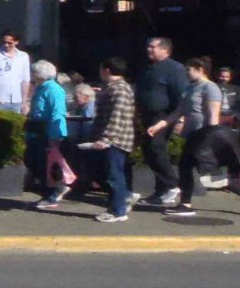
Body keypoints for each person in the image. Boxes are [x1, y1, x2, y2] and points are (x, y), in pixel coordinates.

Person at [150, 56, 240, 217]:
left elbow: (213, 115)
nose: (186, 73)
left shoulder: (210, 88)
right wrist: (160, 125)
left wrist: (209, 137)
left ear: (199, 70)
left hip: (205, 135)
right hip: (192, 134)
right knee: (187, 168)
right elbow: (179, 111)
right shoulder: (190, 88)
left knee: (208, 173)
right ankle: (186, 204)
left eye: (189, 70)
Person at [78, 57, 137, 223]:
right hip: (105, 138)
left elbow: (116, 116)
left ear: (107, 70)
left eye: (101, 69)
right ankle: (124, 196)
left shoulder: (120, 90)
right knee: (97, 170)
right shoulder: (110, 88)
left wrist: (106, 138)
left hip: (116, 140)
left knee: (113, 174)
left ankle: (118, 211)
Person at [137, 36, 188, 209]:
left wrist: (180, 118)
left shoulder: (175, 69)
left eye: (153, 47)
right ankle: (160, 191)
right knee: (148, 150)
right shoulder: (148, 68)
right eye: (148, 47)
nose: (148, 50)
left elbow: (182, 95)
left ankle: (173, 185)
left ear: (165, 50)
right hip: (146, 115)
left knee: (155, 147)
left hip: (164, 116)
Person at [28, 60, 72, 209]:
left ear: (39, 74)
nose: (31, 75)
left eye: (33, 72)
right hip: (38, 129)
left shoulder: (53, 89)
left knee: (45, 164)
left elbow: (57, 113)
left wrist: (54, 137)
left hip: (48, 132)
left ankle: (53, 194)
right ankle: (52, 191)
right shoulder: (41, 88)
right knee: (34, 161)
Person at [0, 30, 31, 114]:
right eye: (4, 42)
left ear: (16, 42)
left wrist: (24, 101)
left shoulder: (23, 56)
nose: (6, 45)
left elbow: (25, 80)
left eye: (10, 43)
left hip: (16, 100)